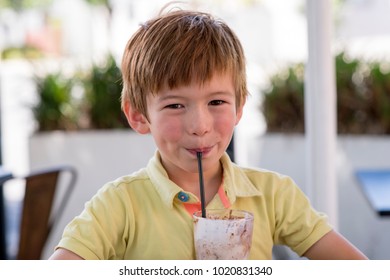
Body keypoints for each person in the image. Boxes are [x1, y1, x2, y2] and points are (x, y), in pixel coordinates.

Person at [49, 7, 367, 260]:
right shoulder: (119, 205)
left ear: (240, 106)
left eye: (216, 101)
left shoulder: (273, 195)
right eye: (175, 105)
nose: (200, 125)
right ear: (138, 115)